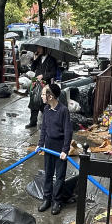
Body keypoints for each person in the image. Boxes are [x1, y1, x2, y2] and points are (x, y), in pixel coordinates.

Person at [37, 83, 72, 215]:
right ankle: (47, 199)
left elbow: (68, 131)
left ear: (50, 96)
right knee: (48, 173)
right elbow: (44, 128)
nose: (41, 96)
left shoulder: (63, 110)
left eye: (43, 94)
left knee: (60, 176)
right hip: (49, 146)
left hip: (59, 147)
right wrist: (40, 144)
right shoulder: (46, 109)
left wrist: (65, 150)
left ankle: (57, 201)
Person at [25, 46, 58, 128]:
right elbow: (32, 68)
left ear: (45, 49)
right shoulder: (38, 58)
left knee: (45, 104)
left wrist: (43, 75)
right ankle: (32, 122)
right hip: (36, 83)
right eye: (38, 48)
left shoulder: (52, 60)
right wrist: (35, 59)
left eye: (40, 48)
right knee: (34, 102)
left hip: (45, 84)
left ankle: (48, 122)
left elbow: (53, 73)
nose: (38, 50)